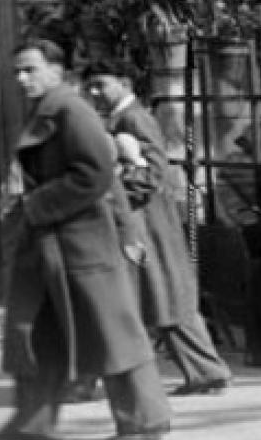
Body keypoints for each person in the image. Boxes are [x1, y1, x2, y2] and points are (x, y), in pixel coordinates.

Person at [0, 40, 171, 440]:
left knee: (112, 333)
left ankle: (144, 419)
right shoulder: (51, 109)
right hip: (53, 245)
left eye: (29, 69)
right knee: (35, 334)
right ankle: (32, 426)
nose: (20, 78)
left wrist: (37, 205)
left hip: (83, 246)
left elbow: (97, 171)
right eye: (17, 71)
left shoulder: (71, 111)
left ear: (56, 69)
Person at [83, 59, 233, 397]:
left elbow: (150, 175)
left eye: (101, 84)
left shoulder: (134, 119)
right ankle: (205, 371)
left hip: (144, 225)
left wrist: (107, 187)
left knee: (147, 299)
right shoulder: (123, 118)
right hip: (144, 224)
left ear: (123, 81)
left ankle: (88, 380)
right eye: (90, 86)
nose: (94, 93)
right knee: (162, 299)